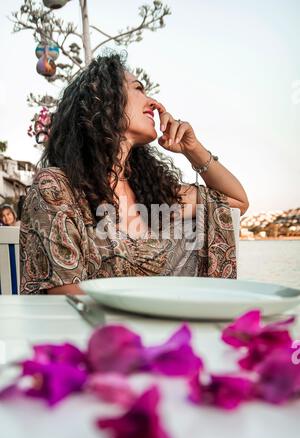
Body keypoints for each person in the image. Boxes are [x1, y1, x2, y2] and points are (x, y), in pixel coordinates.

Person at [20, 51, 249, 295]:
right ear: (103, 99)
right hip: (91, 329)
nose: (153, 102)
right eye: (138, 89)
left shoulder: (153, 195)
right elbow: (65, 296)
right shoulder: (56, 188)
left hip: (156, 325)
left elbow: (236, 202)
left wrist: (192, 149)